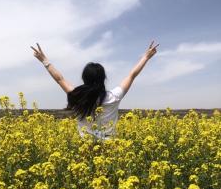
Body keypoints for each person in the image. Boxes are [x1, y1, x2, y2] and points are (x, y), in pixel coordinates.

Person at [31, 40, 159, 140]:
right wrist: (146, 57)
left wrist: (44, 60)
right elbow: (132, 75)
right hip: (110, 147)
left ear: (84, 78)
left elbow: (60, 79)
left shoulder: (77, 95)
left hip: (85, 149)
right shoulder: (113, 97)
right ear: (103, 78)